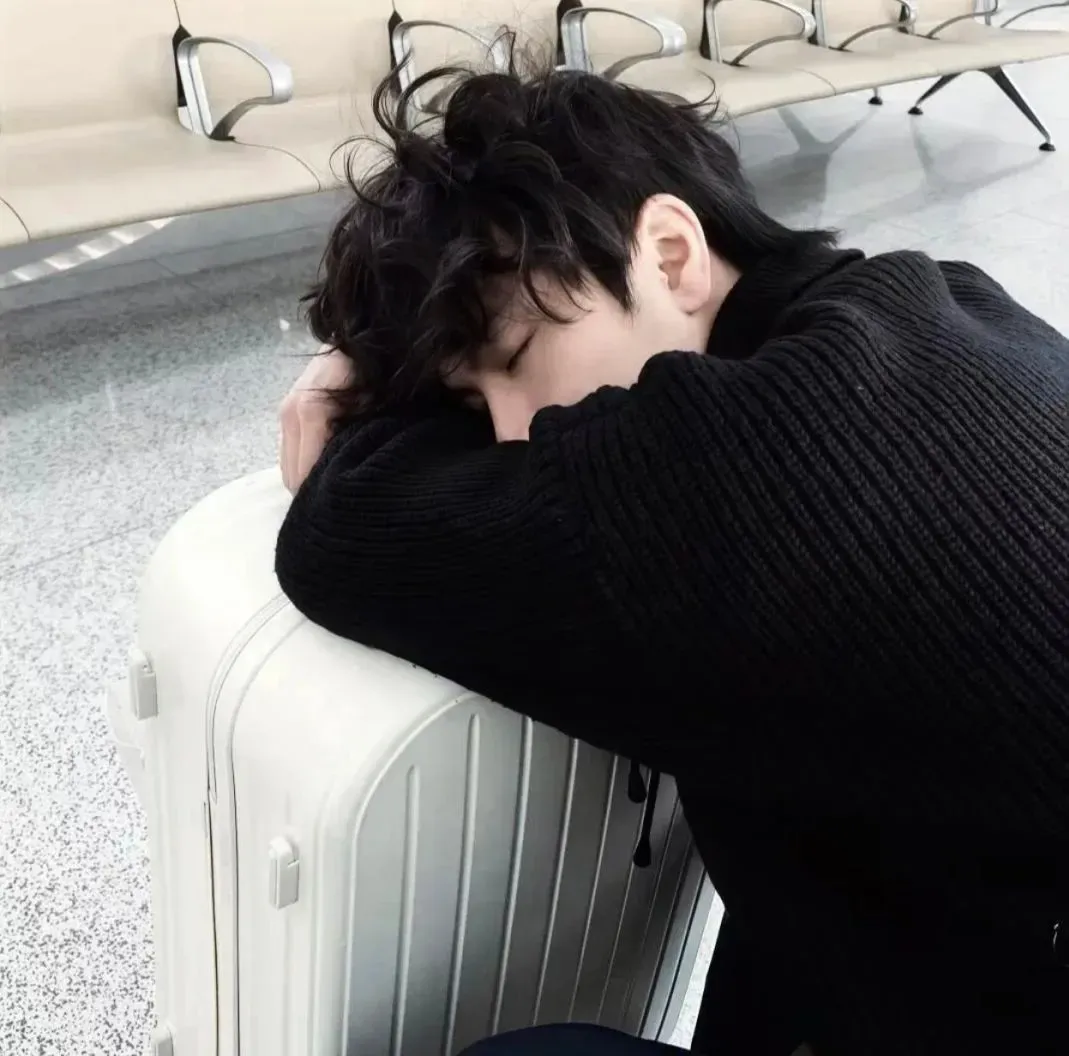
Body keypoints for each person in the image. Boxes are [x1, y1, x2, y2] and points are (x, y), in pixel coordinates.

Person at [275, 52, 1069, 1056]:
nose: (512, 435)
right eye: (474, 404)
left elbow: (340, 534)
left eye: (516, 360)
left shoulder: (723, 463)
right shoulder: (955, 304)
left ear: (669, 253)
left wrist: (350, 384)